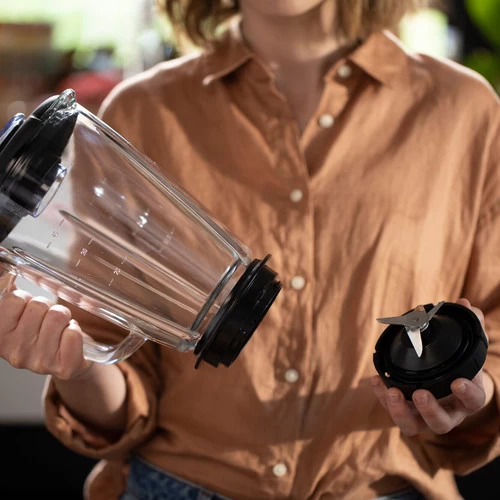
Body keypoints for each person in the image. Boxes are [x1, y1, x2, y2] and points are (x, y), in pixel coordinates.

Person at [1, 0, 500, 498]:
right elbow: (116, 368)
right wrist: (76, 363)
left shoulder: (462, 110)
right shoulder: (143, 109)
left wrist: (473, 391)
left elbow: (493, 332)